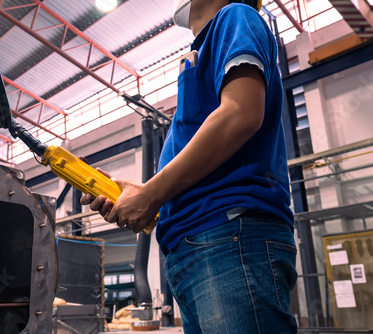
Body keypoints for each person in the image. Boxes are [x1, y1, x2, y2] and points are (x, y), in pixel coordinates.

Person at [81, 0, 298, 332]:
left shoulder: (236, 16)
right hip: (200, 245)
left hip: (229, 234)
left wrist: (150, 194)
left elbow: (241, 114)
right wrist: (137, 196)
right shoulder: (205, 50)